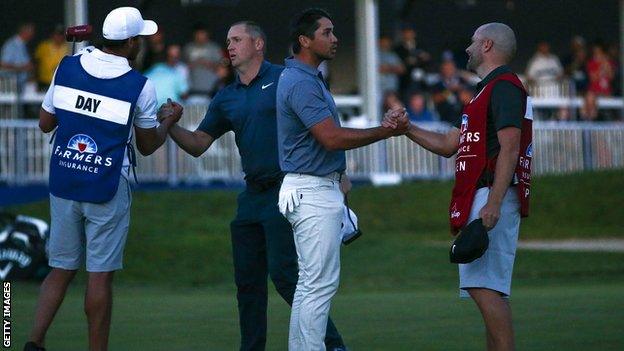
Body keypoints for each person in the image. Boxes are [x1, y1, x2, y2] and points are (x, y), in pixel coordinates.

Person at [165, 21, 348, 351]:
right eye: (228, 41)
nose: (230, 46)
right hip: (252, 195)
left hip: (289, 189)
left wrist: (341, 177)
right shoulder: (226, 97)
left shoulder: (286, 79)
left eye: (237, 40)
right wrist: (170, 126)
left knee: (286, 275)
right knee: (247, 284)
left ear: (259, 44)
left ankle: (332, 344)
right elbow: (198, 143)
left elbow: (324, 127)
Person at [24, 7, 182, 351]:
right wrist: (169, 120)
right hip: (108, 183)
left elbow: (45, 123)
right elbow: (148, 144)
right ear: (129, 42)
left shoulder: (67, 66)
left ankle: (33, 342)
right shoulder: (140, 85)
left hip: (65, 179)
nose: (141, 43)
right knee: (99, 277)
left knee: (60, 269)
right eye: (139, 38)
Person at [276, 8, 408, 350]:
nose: (335, 39)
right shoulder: (302, 81)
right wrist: (385, 131)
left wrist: (340, 175)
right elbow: (331, 138)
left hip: (314, 187)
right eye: (327, 32)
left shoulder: (306, 78)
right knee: (317, 285)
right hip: (312, 191)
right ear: (305, 40)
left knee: (311, 285)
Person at [400, 23, 532, 351]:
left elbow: (510, 147)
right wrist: (406, 129)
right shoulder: (486, 91)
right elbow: (449, 143)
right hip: (486, 193)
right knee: (489, 289)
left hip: (491, 192)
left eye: (473, 42)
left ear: (487, 45)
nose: (468, 48)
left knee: (484, 289)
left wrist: (494, 203)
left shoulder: (503, 86)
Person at [184, 23, 223, 97]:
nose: (200, 36)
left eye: (202, 34)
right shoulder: (188, 48)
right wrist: (193, 64)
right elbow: (181, 67)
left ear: (207, 34)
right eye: (198, 34)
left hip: (212, 90)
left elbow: (222, 69)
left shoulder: (214, 48)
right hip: (192, 90)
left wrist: (206, 63)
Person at [1, 22, 35, 89]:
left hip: (22, 84)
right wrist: (23, 68)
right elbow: (3, 65)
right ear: (25, 32)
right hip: (10, 86)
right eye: (31, 33)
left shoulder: (23, 45)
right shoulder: (11, 45)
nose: (32, 36)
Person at [34, 25, 69, 90]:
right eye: (56, 34)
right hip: (44, 81)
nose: (59, 37)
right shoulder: (44, 46)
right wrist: (34, 78)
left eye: (61, 35)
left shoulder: (68, 47)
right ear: (52, 35)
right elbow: (36, 63)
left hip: (61, 83)